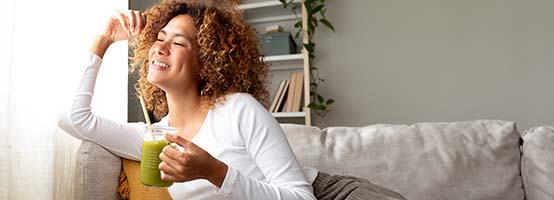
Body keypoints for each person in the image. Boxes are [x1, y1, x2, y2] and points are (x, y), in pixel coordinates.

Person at [59, 0, 406, 199]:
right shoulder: (154, 138)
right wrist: (103, 40)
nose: (160, 47)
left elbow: (302, 197)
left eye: (179, 43)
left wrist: (214, 171)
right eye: (159, 37)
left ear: (206, 61)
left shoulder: (237, 109)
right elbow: (73, 119)